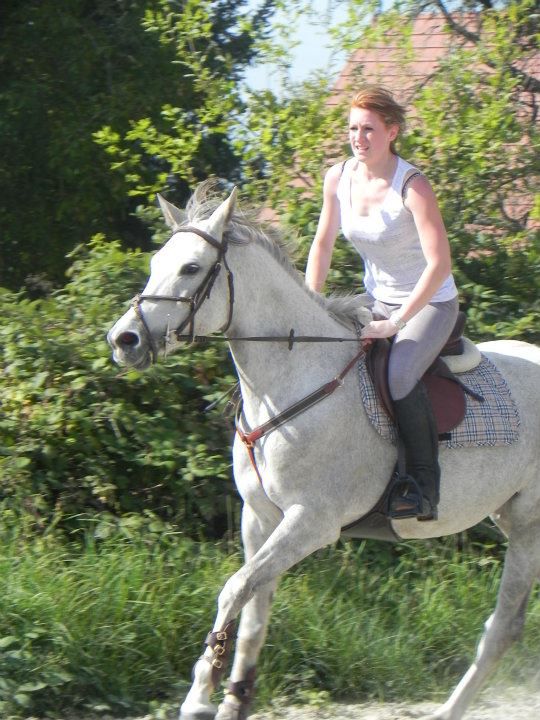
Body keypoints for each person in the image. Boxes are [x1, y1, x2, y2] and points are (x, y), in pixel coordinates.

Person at [305, 85, 459, 521]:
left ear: (392, 132)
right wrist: (311, 303)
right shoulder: (338, 177)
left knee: (399, 374)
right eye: (353, 128)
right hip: (376, 299)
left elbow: (440, 265)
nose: (359, 138)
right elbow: (322, 244)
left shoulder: (413, 185)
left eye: (369, 129)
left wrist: (397, 322)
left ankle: (423, 487)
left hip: (429, 303)